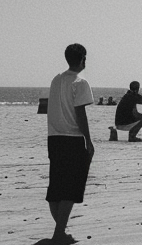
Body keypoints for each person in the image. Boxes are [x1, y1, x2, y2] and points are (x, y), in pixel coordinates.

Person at [46, 43, 94, 245]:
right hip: (72, 138)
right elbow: (80, 113)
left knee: (56, 187)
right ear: (82, 59)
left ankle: (61, 231)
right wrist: (88, 140)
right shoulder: (80, 82)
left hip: (54, 138)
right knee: (71, 188)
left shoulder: (57, 80)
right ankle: (59, 234)